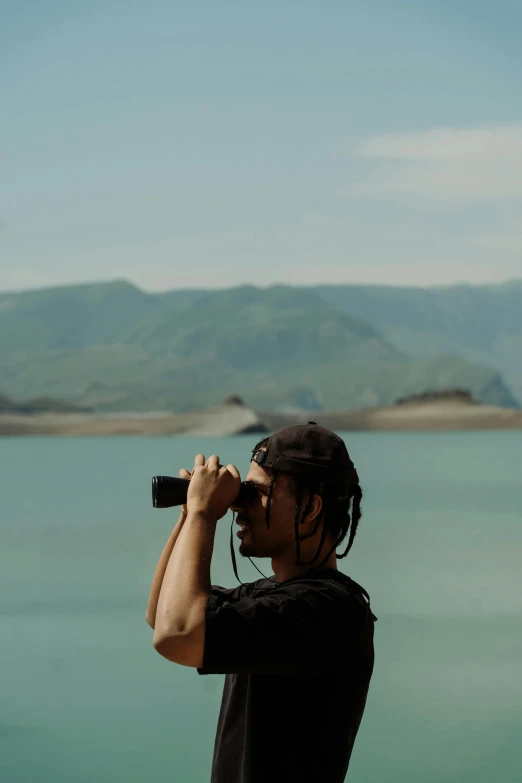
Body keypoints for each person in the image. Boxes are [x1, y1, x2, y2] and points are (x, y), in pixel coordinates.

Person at [146, 422, 377, 783]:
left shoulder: (329, 609)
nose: (240, 507)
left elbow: (177, 635)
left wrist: (205, 514)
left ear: (311, 508)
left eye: (257, 493)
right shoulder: (269, 595)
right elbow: (161, 614)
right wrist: (191, 512)